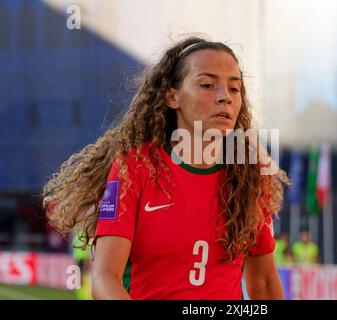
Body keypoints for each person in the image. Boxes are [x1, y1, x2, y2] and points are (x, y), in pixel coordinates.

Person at [43, 36, 289, 300]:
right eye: (207, 84)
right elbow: (105, 277)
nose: (224, 98)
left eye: (234, 89)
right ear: (172, 96)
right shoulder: (135, 167)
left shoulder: (250, 176)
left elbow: (262, 282)